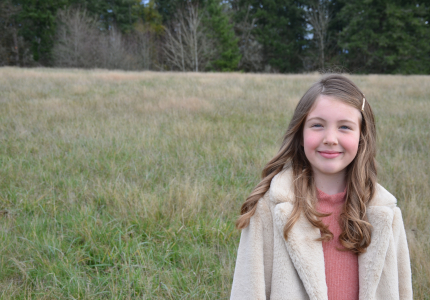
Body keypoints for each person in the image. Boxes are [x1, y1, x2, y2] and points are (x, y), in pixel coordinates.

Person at [230, 74, 413, 300]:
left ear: (362, 137)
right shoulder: (269, 209)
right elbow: (247, 292)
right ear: (300, 134)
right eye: (317, 125)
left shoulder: (385, 213)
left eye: (345, 127)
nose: (330, 138)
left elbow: (401, 292)